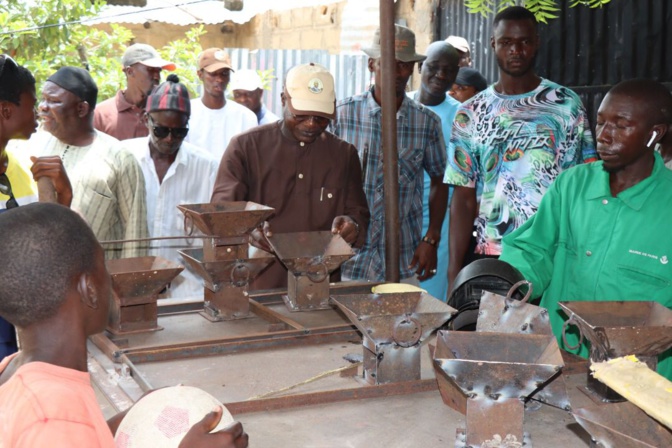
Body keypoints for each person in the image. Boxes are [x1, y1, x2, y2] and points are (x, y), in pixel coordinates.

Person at [0, 203, 249, 447]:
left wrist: (134, 415)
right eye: (103, 266)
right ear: (90, 290)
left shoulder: (12, 370)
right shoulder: (54, 417)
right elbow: (60, 430)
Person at [499, 79, 672, 380]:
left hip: (640, 380)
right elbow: (534, 250)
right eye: (601, 122)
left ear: (653, 134)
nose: (604, 136)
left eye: (621, 126)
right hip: (557, 362)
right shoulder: (572, 186)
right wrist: (505, 280)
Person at [444, 6, 597, 290]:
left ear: (537, 42)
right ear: (493, 44)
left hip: (554, 250)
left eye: (524, 41)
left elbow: (586, 182)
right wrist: (454, 268)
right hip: (494, 252)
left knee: (551, 333)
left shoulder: (565, 104)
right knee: (495, 332)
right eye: (506, 42)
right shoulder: (471, 112)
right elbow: (463, 197)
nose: (516, 50)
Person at [211, 63, 370, 289]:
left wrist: (352, 226)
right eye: (301, 115)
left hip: (319, 289)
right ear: (283, 99)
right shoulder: (245, 148)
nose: (312, 124)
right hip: (257, 287)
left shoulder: (344, 155)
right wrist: (246, 230)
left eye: (322, 118)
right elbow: (221, 214)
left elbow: (359, 215)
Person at [333, 25, 448, 285]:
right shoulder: (342, 116)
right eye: (388, 63)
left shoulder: (425, 122)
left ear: (412, 70)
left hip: (403, 259)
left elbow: (441, 181)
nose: (397, 72)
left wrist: (431, 239)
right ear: (371, 64)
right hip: (348, 260)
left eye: (404, 65)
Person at [30, 66, 149, 259]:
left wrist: (129, 286)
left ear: (81, 108)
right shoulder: (36, 146)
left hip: (97, 283)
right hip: (44, 278)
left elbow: (136, 235)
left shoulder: (119, 157)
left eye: (54, 101)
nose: (43, 107)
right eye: (43, 99)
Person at [0, 55, 73, 360]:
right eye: (31, 106)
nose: (38, 113)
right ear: (6, 111)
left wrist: (62, 201)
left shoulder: (18, 170)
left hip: (12, 335)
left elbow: (44, 253)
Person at [126, 74, 219, 298]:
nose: (169, 139)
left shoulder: (206, 167)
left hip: (187, 292)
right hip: (132, 290)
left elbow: (212, 235)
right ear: (146, 119)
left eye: (179, 132)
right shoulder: (126, 157)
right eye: (161, 130)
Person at [406, 41, 460, 301]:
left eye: (448, 70)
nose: (441, 75)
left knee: (428, 302)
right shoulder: (399, 106)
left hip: (439, 224)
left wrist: (435, 235)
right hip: (400, 219)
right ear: (419, 66)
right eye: (434, 67)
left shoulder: (461, 116)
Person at [185, 48, 257, 161]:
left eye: (224, 73)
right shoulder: (187, 112)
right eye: (213, 74)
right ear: (200, 75)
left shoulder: (246, 117)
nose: (219, 79)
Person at [94, 43, 176, 140]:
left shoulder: (164, 113)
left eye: (158, 71)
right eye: (150, 70)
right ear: (130, 72)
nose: (157, 77)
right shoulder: (101, 114)